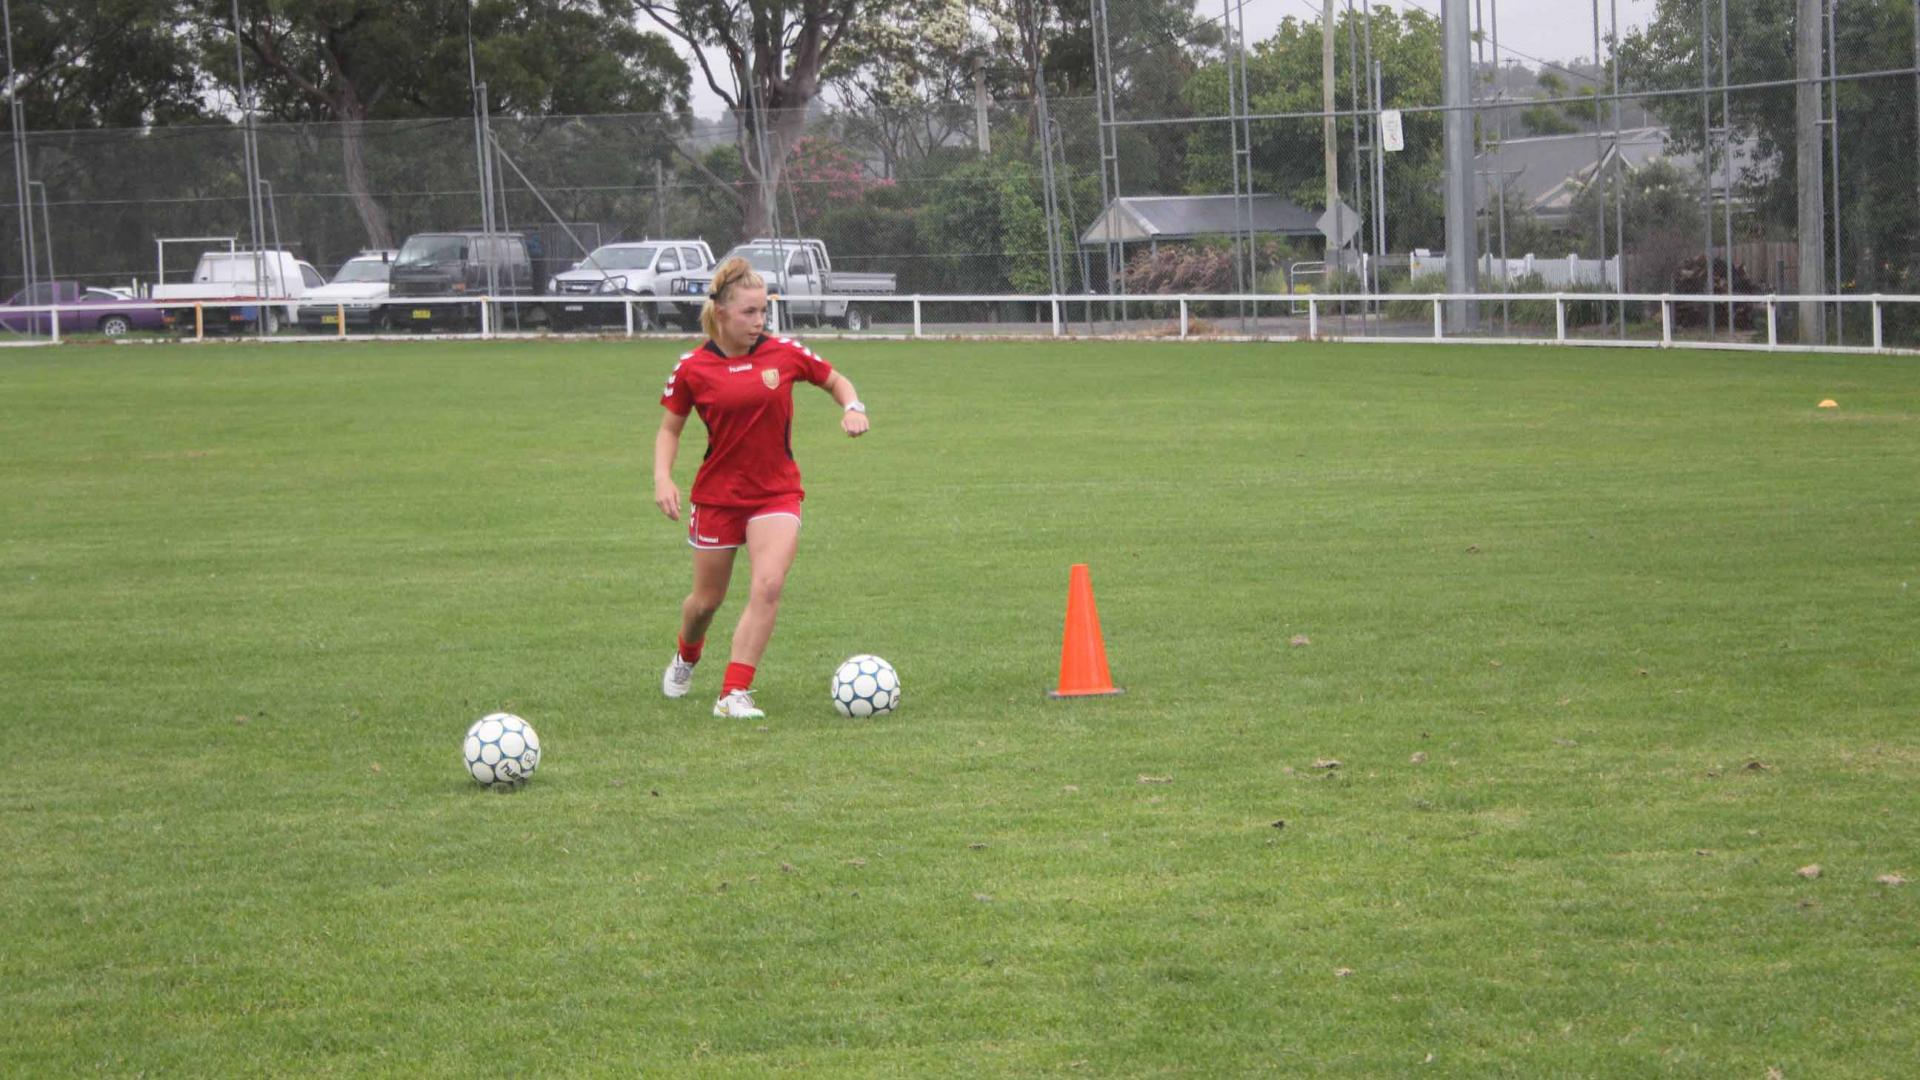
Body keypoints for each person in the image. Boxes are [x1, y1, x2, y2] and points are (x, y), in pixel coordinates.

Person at [652, 255, 869, 719]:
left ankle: (733, 693)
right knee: (705, 603)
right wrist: (663, 478)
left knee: (768, 585)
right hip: (716, 498)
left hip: (776, 493)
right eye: (750, 312)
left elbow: (836, 380)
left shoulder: (784, 353)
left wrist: (853, 406)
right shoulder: (692, 368)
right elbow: (670, 429)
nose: (759, 321)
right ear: (723, 312)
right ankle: (687, 655)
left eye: (763, 311)